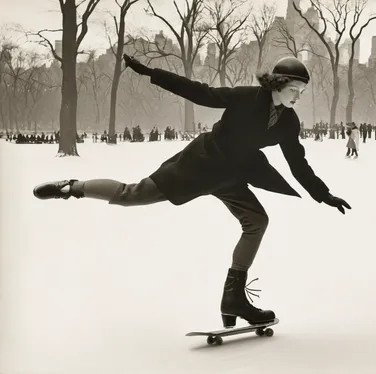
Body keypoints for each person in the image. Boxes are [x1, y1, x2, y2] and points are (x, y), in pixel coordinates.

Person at [33, 54, 352, 328]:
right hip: (202, 163)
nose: (298, 96)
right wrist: (150, 73)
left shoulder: (289, 122)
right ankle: (71, 188)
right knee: (132, 195)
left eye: (302, 91)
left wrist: (323, 194)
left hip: (232, 175)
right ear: (277, 84)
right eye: (294, 89)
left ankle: (234, 300)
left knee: (257, 221)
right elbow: (201, 93)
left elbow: (298, 163)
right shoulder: (245, 97)